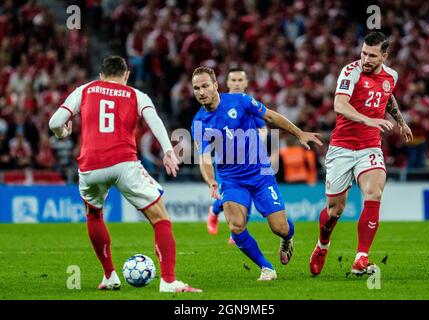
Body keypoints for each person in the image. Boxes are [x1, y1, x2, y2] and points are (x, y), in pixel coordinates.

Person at [49, 55, 201, 293]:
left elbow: (55, 122)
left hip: (90, 167)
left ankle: (109, 276)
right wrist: (168, 151)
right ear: (126, 75)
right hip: (123, 164)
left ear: (101, 75)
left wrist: (62, 133)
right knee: (160, 217)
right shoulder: (136, 95)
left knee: (94, 215)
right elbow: (155, 121)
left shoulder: (85, 90)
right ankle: (169, 281)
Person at [191, 66, 322, 280]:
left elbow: (270, 117)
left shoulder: (240, 101)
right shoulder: (198, 122)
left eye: (205, 86)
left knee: (280, 228)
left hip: (260, 174)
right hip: (231, 179)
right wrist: (212, 182)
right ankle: (266, 267)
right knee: (236, 225)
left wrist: (299, 133)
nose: (201, 91)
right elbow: (204, 158)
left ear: (215, 85)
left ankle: (288, 239)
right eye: (196, 88)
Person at [309, 31, 413, 276]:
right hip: (341, 148)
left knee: (374, 192)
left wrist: (400, 120)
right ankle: (322, 245)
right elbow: (340, 105)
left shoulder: (392, 76)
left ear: (384, 56)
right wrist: (369, 120)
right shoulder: (351, 71)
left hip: (369, 147)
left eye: (372, 55)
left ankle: (361, 258)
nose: (365, 58)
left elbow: (388, 96)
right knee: (335, 210)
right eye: (364, 52)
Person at [206, 68, 268, 246]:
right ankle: (214, 210)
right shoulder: (218, 103)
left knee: (245, 197)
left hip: (248, 161)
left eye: (241, 80)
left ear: (246, 82)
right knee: (225, 196)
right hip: (225, 162)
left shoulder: (249, 103)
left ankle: (237, 233)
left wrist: (257, 144)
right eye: (233, 80)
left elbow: (263, 128)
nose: (237, 83)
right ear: (227, 83)